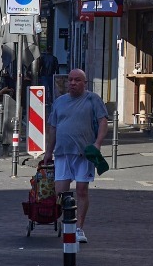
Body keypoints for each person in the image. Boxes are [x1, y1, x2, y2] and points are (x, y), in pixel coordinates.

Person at [43, 68, 109, 243]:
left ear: (84, 83)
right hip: (63, 152)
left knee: (81, 190)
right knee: (60, 191)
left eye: (77, 80)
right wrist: (48, 152)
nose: (72, 83)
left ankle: (78, 228)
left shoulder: (92, 99)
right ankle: (68, 222)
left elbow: (103, 121)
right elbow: (53, 128)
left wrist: (98, 143)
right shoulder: (59, 102)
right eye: (70, 80)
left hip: (84, 153)